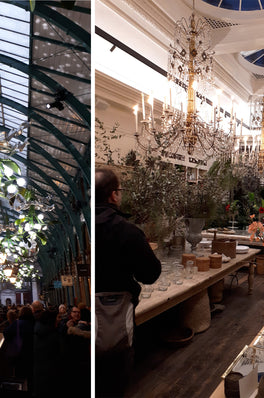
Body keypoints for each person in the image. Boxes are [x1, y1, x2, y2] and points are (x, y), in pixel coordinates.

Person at [95, 168, 161, 397]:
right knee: (116, 380)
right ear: (113, 195)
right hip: (117, 319)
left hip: (84, 322)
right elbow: (151, 274)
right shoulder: (127, 231)